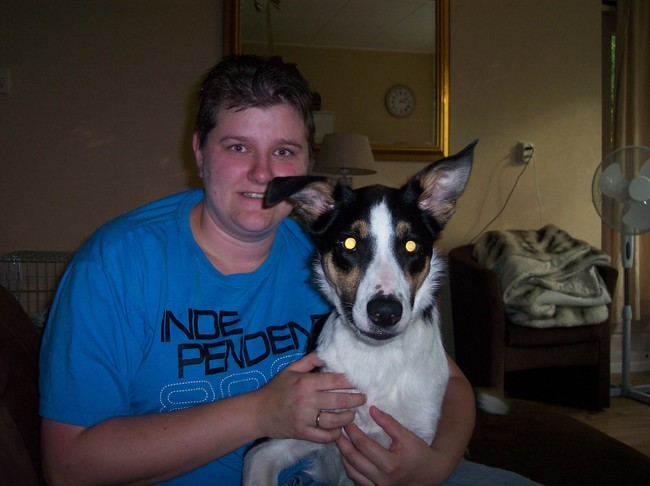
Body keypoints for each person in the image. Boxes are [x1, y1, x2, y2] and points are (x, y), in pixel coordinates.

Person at [39, 55, 532, 486]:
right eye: (237, 147)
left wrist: (435, 465)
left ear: (308, 166)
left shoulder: (330, 248)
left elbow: (451, 383)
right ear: (199, 152)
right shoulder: (115, 266)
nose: (262, 173)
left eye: (283, 151)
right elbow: (68, 466)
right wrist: (259, 413)